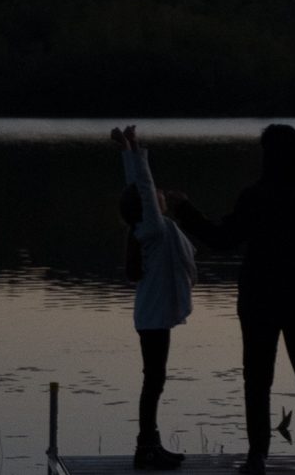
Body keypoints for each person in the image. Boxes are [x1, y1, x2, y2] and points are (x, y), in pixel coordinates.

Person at [176, 125, 295, 475]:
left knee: (257, 380)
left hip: (261, 302)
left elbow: (222, 239)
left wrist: (185, 212)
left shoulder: (258, 196)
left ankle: (257, 456)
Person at [111, 125, 198, 470]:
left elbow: (138, 190)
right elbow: (143, 188)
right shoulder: (154, 229)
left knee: (154, 380)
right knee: (154, 381)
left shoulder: (147, 228)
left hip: (153, 316)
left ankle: (150, 444)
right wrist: (135, 150)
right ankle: (146, 448)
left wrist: (129, 149)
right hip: (153, 318)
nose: (162, 195)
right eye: (159, 195)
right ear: (149, 208)